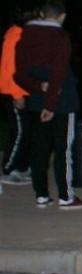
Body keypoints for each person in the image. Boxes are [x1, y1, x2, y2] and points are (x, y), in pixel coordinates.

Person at [13, 1, 82, 210]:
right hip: (61, 100)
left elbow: (18, 74)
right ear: (62, 16)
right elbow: (59, 72)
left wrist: (38, 86)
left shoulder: (25, 36)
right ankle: (66, 196)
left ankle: (41, 195)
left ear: (41, 14)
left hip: (36, 99)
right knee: (62, 149)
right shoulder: (60, 37)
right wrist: (51, 104)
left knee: (40, 148)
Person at [0, 14, 32, 185]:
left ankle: (21, 166)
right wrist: (17, 95)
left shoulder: (20, 35)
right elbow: (11, 68)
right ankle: (8, 168)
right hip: (13, 92)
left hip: (22, 91)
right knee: (19, 131)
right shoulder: (15, 37)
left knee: (25, 130)